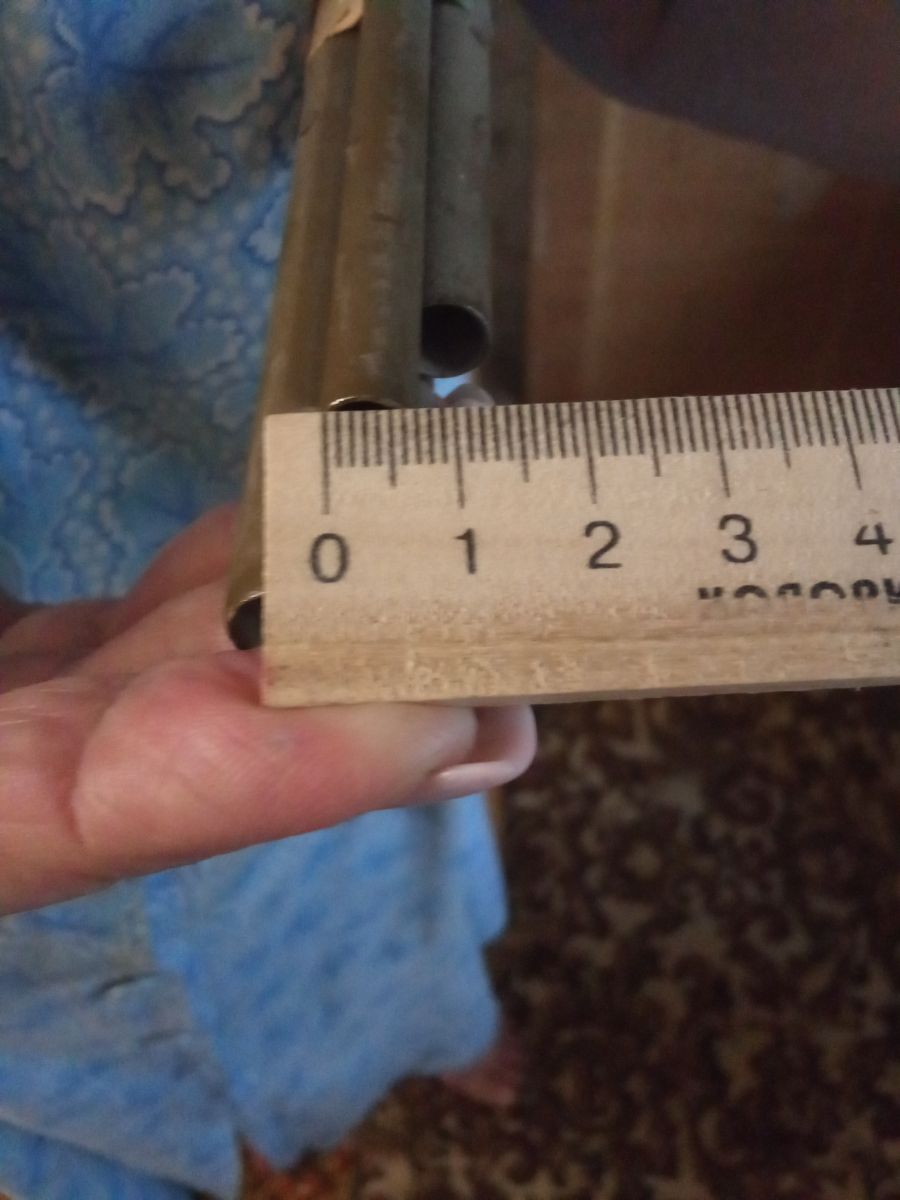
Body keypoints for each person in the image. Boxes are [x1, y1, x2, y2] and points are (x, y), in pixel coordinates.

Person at [1, 1, 898, 1197]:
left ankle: (421, 1033)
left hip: (278, 480)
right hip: (65, 596)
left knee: (369, 792)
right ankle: (293, 1087)